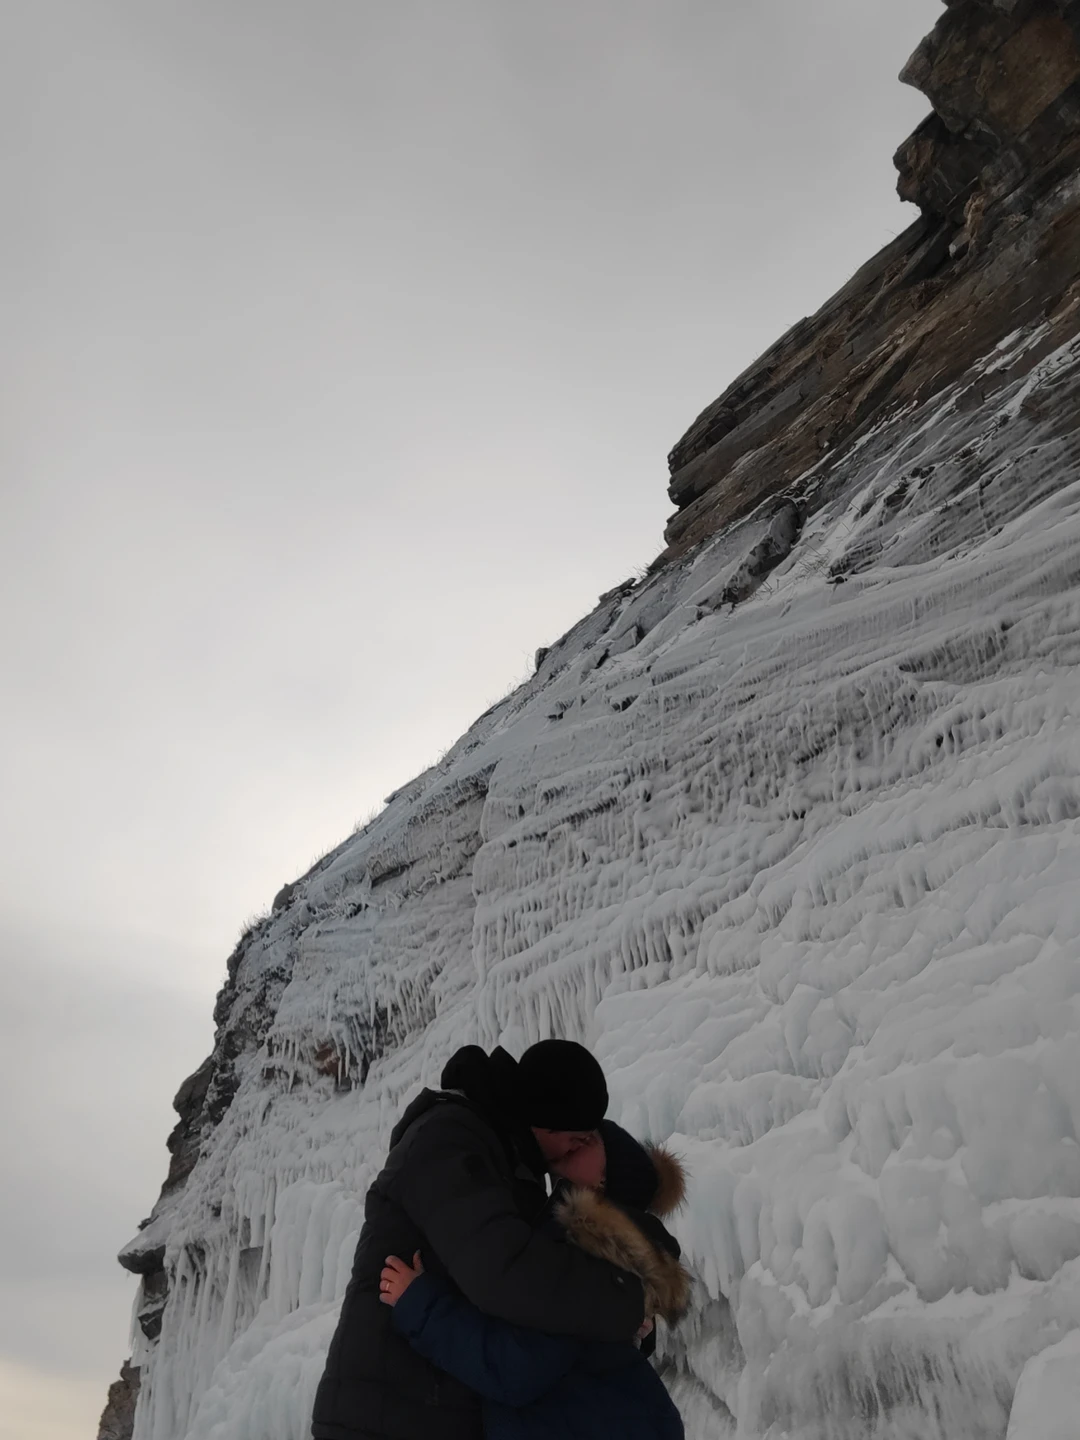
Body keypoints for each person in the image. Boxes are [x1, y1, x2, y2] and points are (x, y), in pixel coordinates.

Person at [311, 1041, 646, 1440]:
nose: (580, 1146)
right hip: (383, 1414)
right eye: (579, 1136)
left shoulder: (507, 1158)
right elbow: (505, 1272)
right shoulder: (449, 1138)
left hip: (428, 1408)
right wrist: (627, 1300)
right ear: (545, 1123)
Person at [379, 1122, 689, 1440]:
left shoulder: (583, 1262)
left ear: (601, 1182)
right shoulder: (601, 1265)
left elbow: (514, 1368)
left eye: (589, 1139)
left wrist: (422, 1307)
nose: (574, 1135)